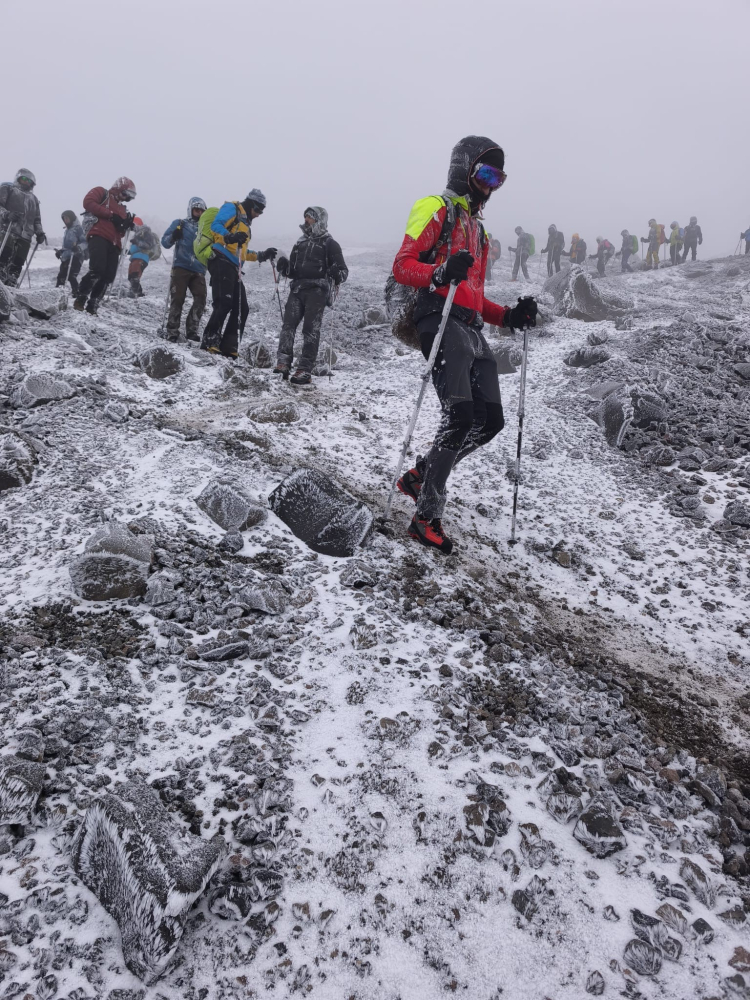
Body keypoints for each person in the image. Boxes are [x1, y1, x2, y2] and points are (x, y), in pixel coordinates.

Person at [392, 135, 537, 554]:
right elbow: (403, 265)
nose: (492, 185)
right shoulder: (435, 208)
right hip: (437, 318)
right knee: (459, 415)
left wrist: (508, 316)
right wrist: (438, 272)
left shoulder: (480, 232)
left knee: (490, 420)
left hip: (470, 325)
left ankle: (421, 474)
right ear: (464, 170)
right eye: (487, 173)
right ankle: (425, 516)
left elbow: (474, 293)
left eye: (500, 178)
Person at [273, 206, 348, 385]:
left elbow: (343, 273)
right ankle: (283, 363)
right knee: (288, 326)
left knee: (310, 330)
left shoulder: (330, 243)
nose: (306, 220)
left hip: (317, 291)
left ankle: (304, 369)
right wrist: (284, 267)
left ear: (320, 220)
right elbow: (292, 271)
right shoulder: (300, 243)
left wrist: (335, 272)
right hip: (297, 289)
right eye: (305, 216)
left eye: (311, 217)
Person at [200, 188, 277, 358]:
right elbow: (216, 225)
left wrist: (262, 255)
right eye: (258, 209)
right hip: (220, 260)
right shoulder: (232, 208)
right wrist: (229, 237)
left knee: (242, 308)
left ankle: (229, 346)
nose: (258, 214)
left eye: (262, 211)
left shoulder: (246, 226)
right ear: (251, 204)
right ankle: (210, 341)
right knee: (224, 302)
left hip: (234, 266)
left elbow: (242, 253)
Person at [74, 177, 137, 314]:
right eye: (126, 193)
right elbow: (88, 202)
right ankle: (81, 297)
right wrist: (111, 215)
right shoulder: (102, 192)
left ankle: (94, 303)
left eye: (130, 197)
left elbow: (119, 230)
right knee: (97, 269)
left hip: (115, 243)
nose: (126, 198)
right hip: (98, 235)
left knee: (108, 275)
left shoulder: (122, 209)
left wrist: (125, 225)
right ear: (119, 188)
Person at [161, 197, 207, 342]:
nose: (199, 213)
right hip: (181, 266)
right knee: (177, 298)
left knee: (201, 298)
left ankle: (192, 330)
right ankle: (172, 331)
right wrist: (174, 236)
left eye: (201, 210)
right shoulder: (180, 224)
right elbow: (165, 242)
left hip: (199, 269)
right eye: (196, 210)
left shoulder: (206, 228)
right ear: (190, 210)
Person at [0, 168, 45, 286]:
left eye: (29, 181)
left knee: (18, 262)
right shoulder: (8, 188)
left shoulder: (33, 199)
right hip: (8, 230)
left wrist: (39, 232)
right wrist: (6, 214)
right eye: (24, 179)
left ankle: (11, 284)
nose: (26, 182)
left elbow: (36, 219)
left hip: (26, 235)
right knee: (4, 257)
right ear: (18, 178)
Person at [54, 211, 87, 295]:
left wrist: (78, 248)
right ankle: (57, 294)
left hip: (76, 256)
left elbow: (85, 242)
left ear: (71, 218)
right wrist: (60, 252)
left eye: (67, 218)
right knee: (61, 276)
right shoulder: (67, 230)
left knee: (71, 276)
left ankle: (77, 293)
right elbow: (67, 247)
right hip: (67, 257)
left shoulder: (78, 228)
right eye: (64, 219)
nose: (65, 220)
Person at [127, 223, 161, 297]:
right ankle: (135, 292)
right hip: (136, 257)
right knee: (131, 276)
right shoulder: (138, 234)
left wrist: (137, 242)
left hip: (141, 257)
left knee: (134, 275)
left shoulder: (146, 233)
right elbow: (134, 249)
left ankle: (137, 293)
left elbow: (148, 245)